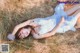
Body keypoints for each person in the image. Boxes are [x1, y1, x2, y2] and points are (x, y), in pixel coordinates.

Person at [7, 0, 80, 40]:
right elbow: (51, 33)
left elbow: (17, 26)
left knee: (78, 6)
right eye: (22, 36)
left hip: (57, 16)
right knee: (76, 14)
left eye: (20, 33)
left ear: (21, 28)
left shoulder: (30, 22)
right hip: (61, 25)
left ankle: (77, 24)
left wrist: (12, 35)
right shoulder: (36, 35)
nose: (23, 35)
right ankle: (77, 25)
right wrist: (60, 23)